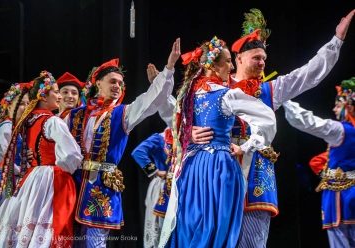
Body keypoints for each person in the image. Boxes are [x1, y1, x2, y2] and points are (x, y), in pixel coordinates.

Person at [190, 9, 355, 247]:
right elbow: (184, 116)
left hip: (256, 173)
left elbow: (309, 75)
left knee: (253, 241)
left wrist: (336, 41)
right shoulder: (213, 87)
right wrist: (191, 133)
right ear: (238, 58)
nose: (262, 62)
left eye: (264, 58)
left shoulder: (271, 90)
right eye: (256, 57)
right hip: (216, 171)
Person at [158, 36, 276, 248]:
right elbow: (267, 120)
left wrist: (188, 133)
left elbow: (172, 119)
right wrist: (246, 147)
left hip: (192, 166)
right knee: (215, 229)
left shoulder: (188, 95)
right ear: (212, 65)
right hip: (218, 166)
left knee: (191, 226)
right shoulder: (228, 95)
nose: (231, 66)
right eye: (228, 61)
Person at [67, 38, 180, 248]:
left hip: (101, 186)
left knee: (94, 244)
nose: (118, 86)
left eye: (120, 83)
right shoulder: (74, 116)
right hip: (73, 184)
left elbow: (150, 101)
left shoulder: (122, 114)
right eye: (112, 81)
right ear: (98, 83)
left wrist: (169, 69)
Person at [0, 71, 83, 248]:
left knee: (27, 221)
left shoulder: (27, 122)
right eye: (56, 92)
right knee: (47, 224)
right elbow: (72, 154)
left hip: (31, 178)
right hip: (50, 177)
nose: (59, 96)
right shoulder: (52, 121)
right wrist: (64, 169)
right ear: (43, 96)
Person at [282, 77, 355, 248]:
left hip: (341, 196)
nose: (334, 109)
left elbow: (307, 121)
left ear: (348, 107)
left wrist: (283, 98)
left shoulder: (340, 131)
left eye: (338, 105)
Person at [131, 64, 177, 248]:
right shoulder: (160, 138)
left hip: (179, 184)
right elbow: (138, 152)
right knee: (159, 228)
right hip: (162, 185)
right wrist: (155, 171)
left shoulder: (186, 137)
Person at [0, 82, 32, 239]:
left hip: (15, 180)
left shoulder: (20, 128)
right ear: (9, 107)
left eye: (27, 104)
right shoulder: (6, 126)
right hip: (4, 182)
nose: (24, 108)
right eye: (20, 104)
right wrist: (20, 170)